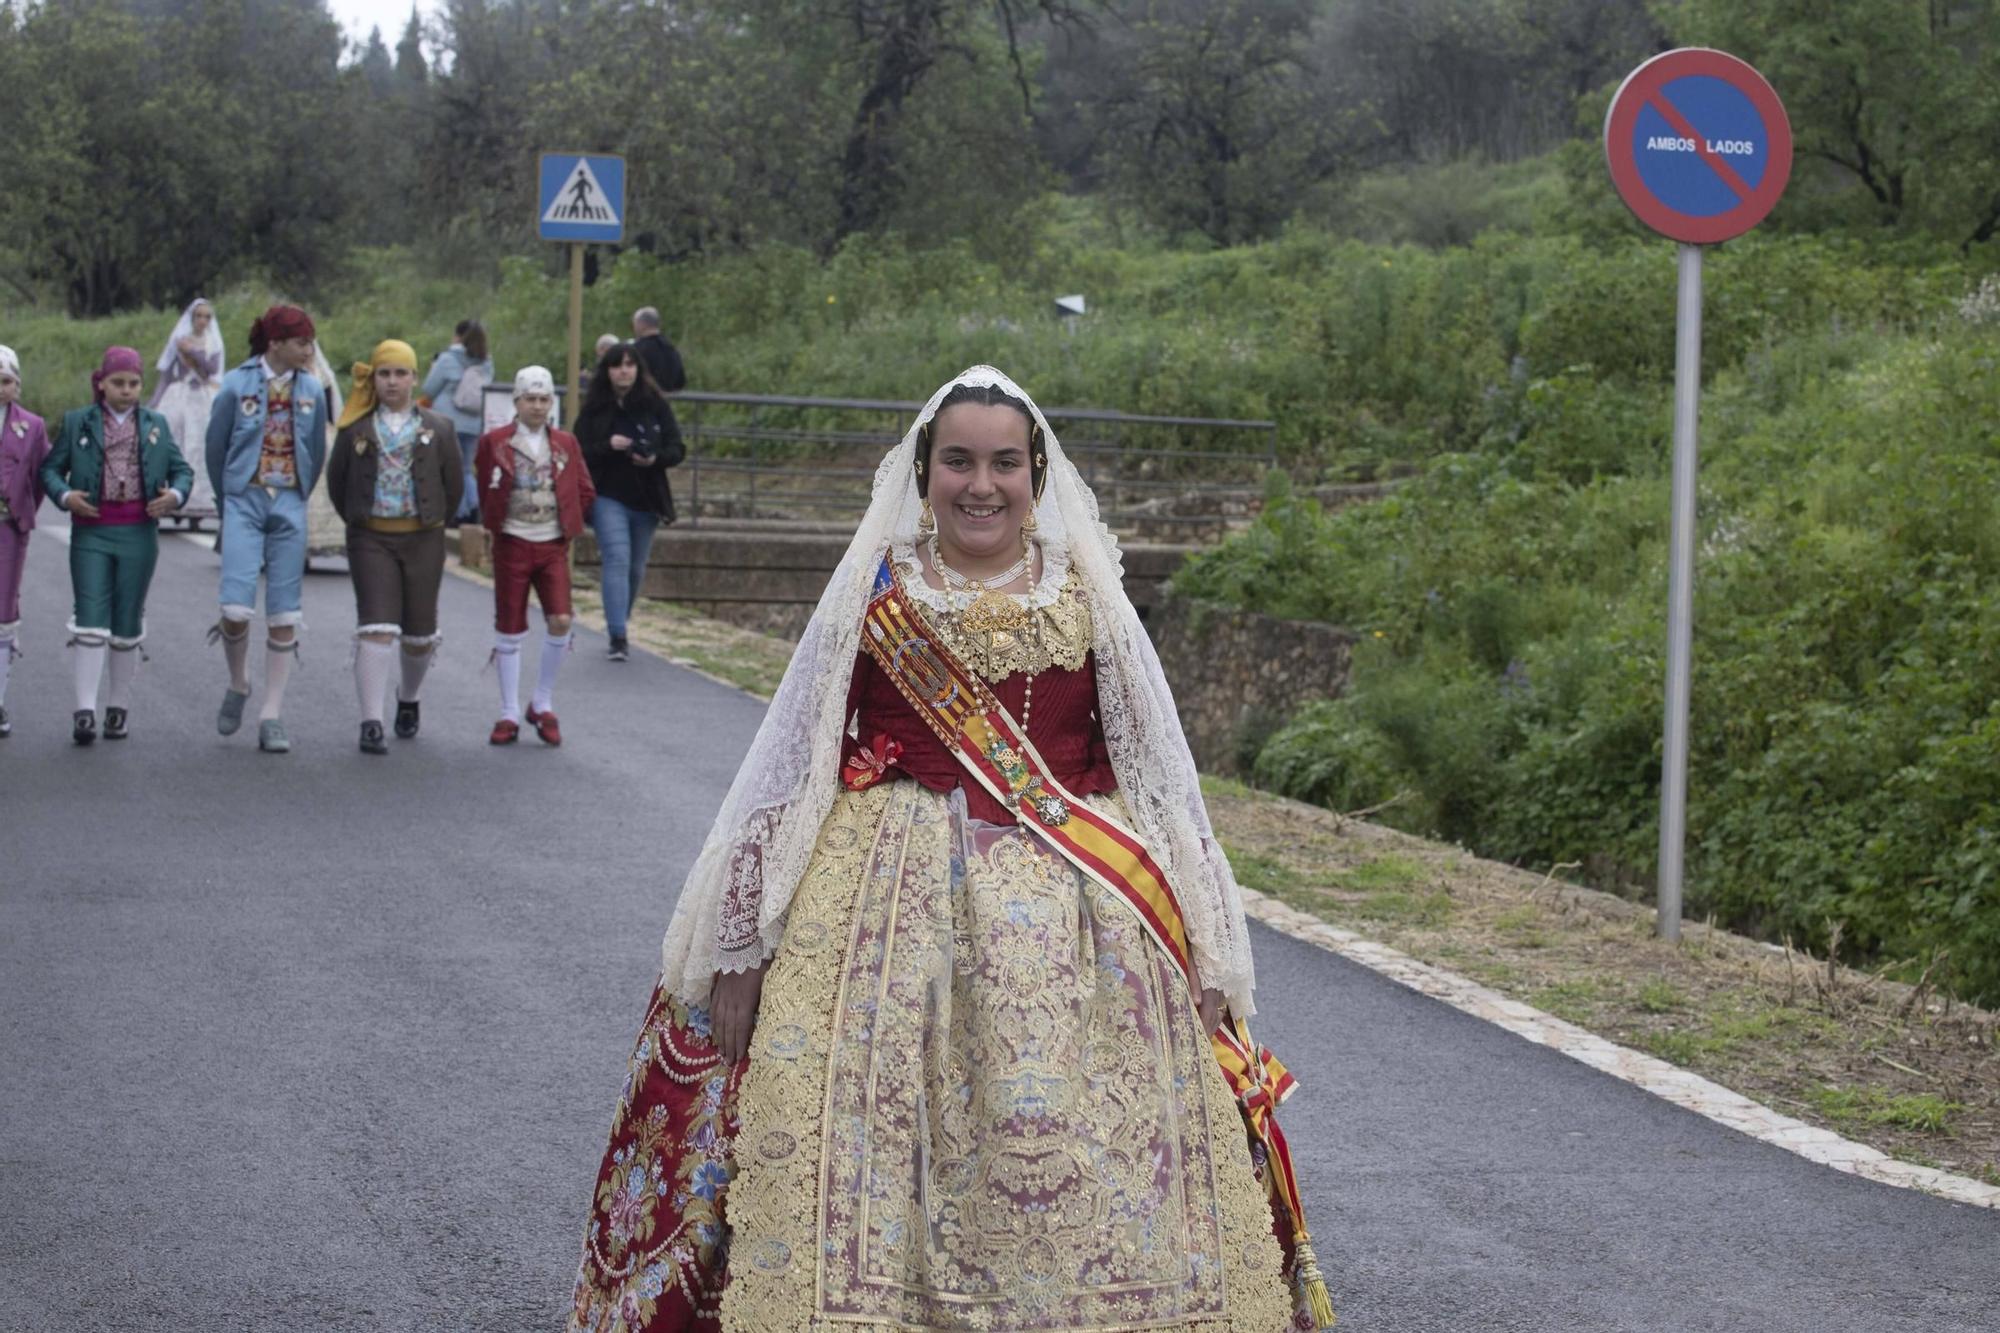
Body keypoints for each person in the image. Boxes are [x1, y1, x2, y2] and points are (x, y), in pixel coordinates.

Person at [563, 366, 1333, 1333]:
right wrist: (743, 944)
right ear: (923, 472)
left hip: (1083, 917)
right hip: (882, 904)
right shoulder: (876, 592)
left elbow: (1160, 779)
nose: (982, 485)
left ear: (1036, 473)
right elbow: (791, 766)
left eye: (1004, 463)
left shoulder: (1089, 599)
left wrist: (1210, 951)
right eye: (959, 461)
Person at [42, 347, 191, 744]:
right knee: (89, 618)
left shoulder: (156, 424)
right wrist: (65, 497)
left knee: (127, 620)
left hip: (139, 533)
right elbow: (51, 468)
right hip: (91, 531)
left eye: (134, 383)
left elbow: (183, 471)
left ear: (141, 385)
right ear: (102, 383)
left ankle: (118, 708)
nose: (127, 391)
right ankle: (85, 711)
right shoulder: (78, 423)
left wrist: (174, 497)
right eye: (118, 383)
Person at [325, 339, 464, 755]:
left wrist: (433, 521)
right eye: (384, 373)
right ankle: (371, 721)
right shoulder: (356, 429)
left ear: (414, 378)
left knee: (419, 635)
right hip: (371, 537)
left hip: (423, 537)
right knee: (377, 626)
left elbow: (452, 486)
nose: (392, 382)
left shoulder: (439, 429)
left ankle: (409, 697)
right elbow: (338, 483)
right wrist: (359, 521)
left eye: (400, 373)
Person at [204, 304, 331, 754]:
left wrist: (295, 495)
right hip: (243, 500)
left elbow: (315, 451)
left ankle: (271, 713)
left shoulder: (313, 388)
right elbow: (215, 448)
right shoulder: (236, 386)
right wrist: (230, 500)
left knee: (284, 613)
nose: (308, 351)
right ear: (275, 343)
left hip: (289, 501)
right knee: (236, 608)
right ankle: (239, 682)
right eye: (301, 343)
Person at [475, 366, 594, 746]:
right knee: (509, 625)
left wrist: (570, 522)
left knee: (561, 618)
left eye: (544, 399)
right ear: (517, 402)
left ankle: (541, 701)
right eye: (531, 399)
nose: (538, 406)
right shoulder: (495, 442)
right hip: (512, 540)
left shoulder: (564, 443)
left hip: (552, 542)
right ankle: (508, 709)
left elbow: (584, 488)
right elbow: (484, 488)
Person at [575, 342, 683, 662]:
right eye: (617, 365)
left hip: (646, 500)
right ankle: (617, 635)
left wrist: (653, 458)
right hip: (607, 496)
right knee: (617, 559)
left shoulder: (655, 406)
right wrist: (609, 444)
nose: (624, 371)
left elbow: (677, 448)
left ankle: (621, 617)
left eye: (629, 364)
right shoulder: (595, 407)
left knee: (635, 569)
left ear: (638, 369)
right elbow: (579, 449)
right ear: (606, 371)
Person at [0, 347, 50, 738]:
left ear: (17, 385)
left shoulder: (32, 426)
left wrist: (21, 509)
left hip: (7, 526)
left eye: (5, 381)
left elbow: (39, 476)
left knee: (3, 610)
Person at [147, 297, 225, 516]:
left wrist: (193, 352)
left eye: (207, 316)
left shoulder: (213, 343)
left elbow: (212, 369)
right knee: (173, 436)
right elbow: (166, 374)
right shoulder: (179, 339)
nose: (202, 320)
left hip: (202, 394)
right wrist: (154, 400)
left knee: (201, 441)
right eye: (198, 316)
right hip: (179, 393)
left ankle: (199, 496)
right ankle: (167, 491)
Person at [422, 319, 492, 523]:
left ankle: (457, 513)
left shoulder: (447, 359)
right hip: (473, 423)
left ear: (458, 337)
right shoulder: (486, 362)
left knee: (447, 468)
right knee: (466, 469)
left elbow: (429, 389)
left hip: (446, 422)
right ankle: (474, 507)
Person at [629, 306, 686, 394]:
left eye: (635, 324)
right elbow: (680, 382)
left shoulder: (636, 349)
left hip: (640, 401)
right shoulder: (671, 349)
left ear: (642, 324)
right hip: (665, 402)